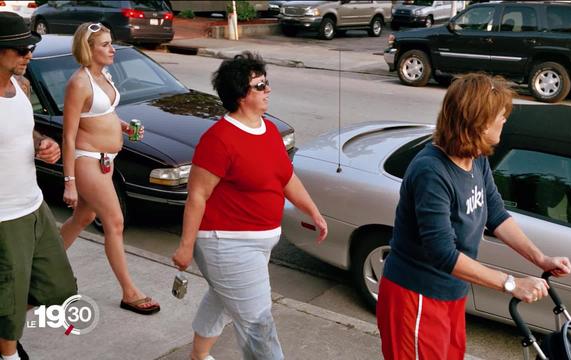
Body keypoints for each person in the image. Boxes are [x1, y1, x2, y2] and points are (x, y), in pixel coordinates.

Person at [376, 73, 571, 360]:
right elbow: (443, 253)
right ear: (479, 124)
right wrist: (512, 284)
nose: (505, 119)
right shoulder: (431, 172)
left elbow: (495, 212)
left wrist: (540, 259)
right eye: (500, 115)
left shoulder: (476, 157)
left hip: (451, 294)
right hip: (416, 298)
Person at [172, 52, 328, 360]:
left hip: (257, 242)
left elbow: (286, 178)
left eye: (266, 82)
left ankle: (198, 356)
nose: (268, 89)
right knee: (258, 322)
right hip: (226, 245)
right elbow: (197, 196)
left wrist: (313, 211)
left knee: (221, 300)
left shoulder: (267, 129)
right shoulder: (219, 139)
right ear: (241, 95)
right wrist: (186, 247)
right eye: (260, 85)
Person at [59, 23, 159, 315]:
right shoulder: (78, 83)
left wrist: (124, 127)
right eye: (104, 44)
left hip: (106, 159)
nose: (112, 48)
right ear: (88, 49)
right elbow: (68, 134)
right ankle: (129, 292)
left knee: (83, 218)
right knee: (114, 222)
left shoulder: (104, 76)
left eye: (110, 42)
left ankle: (40, 264)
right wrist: (70, 182)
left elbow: (106, 113)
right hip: (87, 159)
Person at [0, 12, 77, 360]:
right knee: (9, 299)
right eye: (21, 49)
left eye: (30, 47)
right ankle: (8, 352)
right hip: (4, 217)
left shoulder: (21, 85)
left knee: (58, 289)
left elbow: (22, 129)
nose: (28, 54)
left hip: (34, 206)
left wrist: (42, 143)